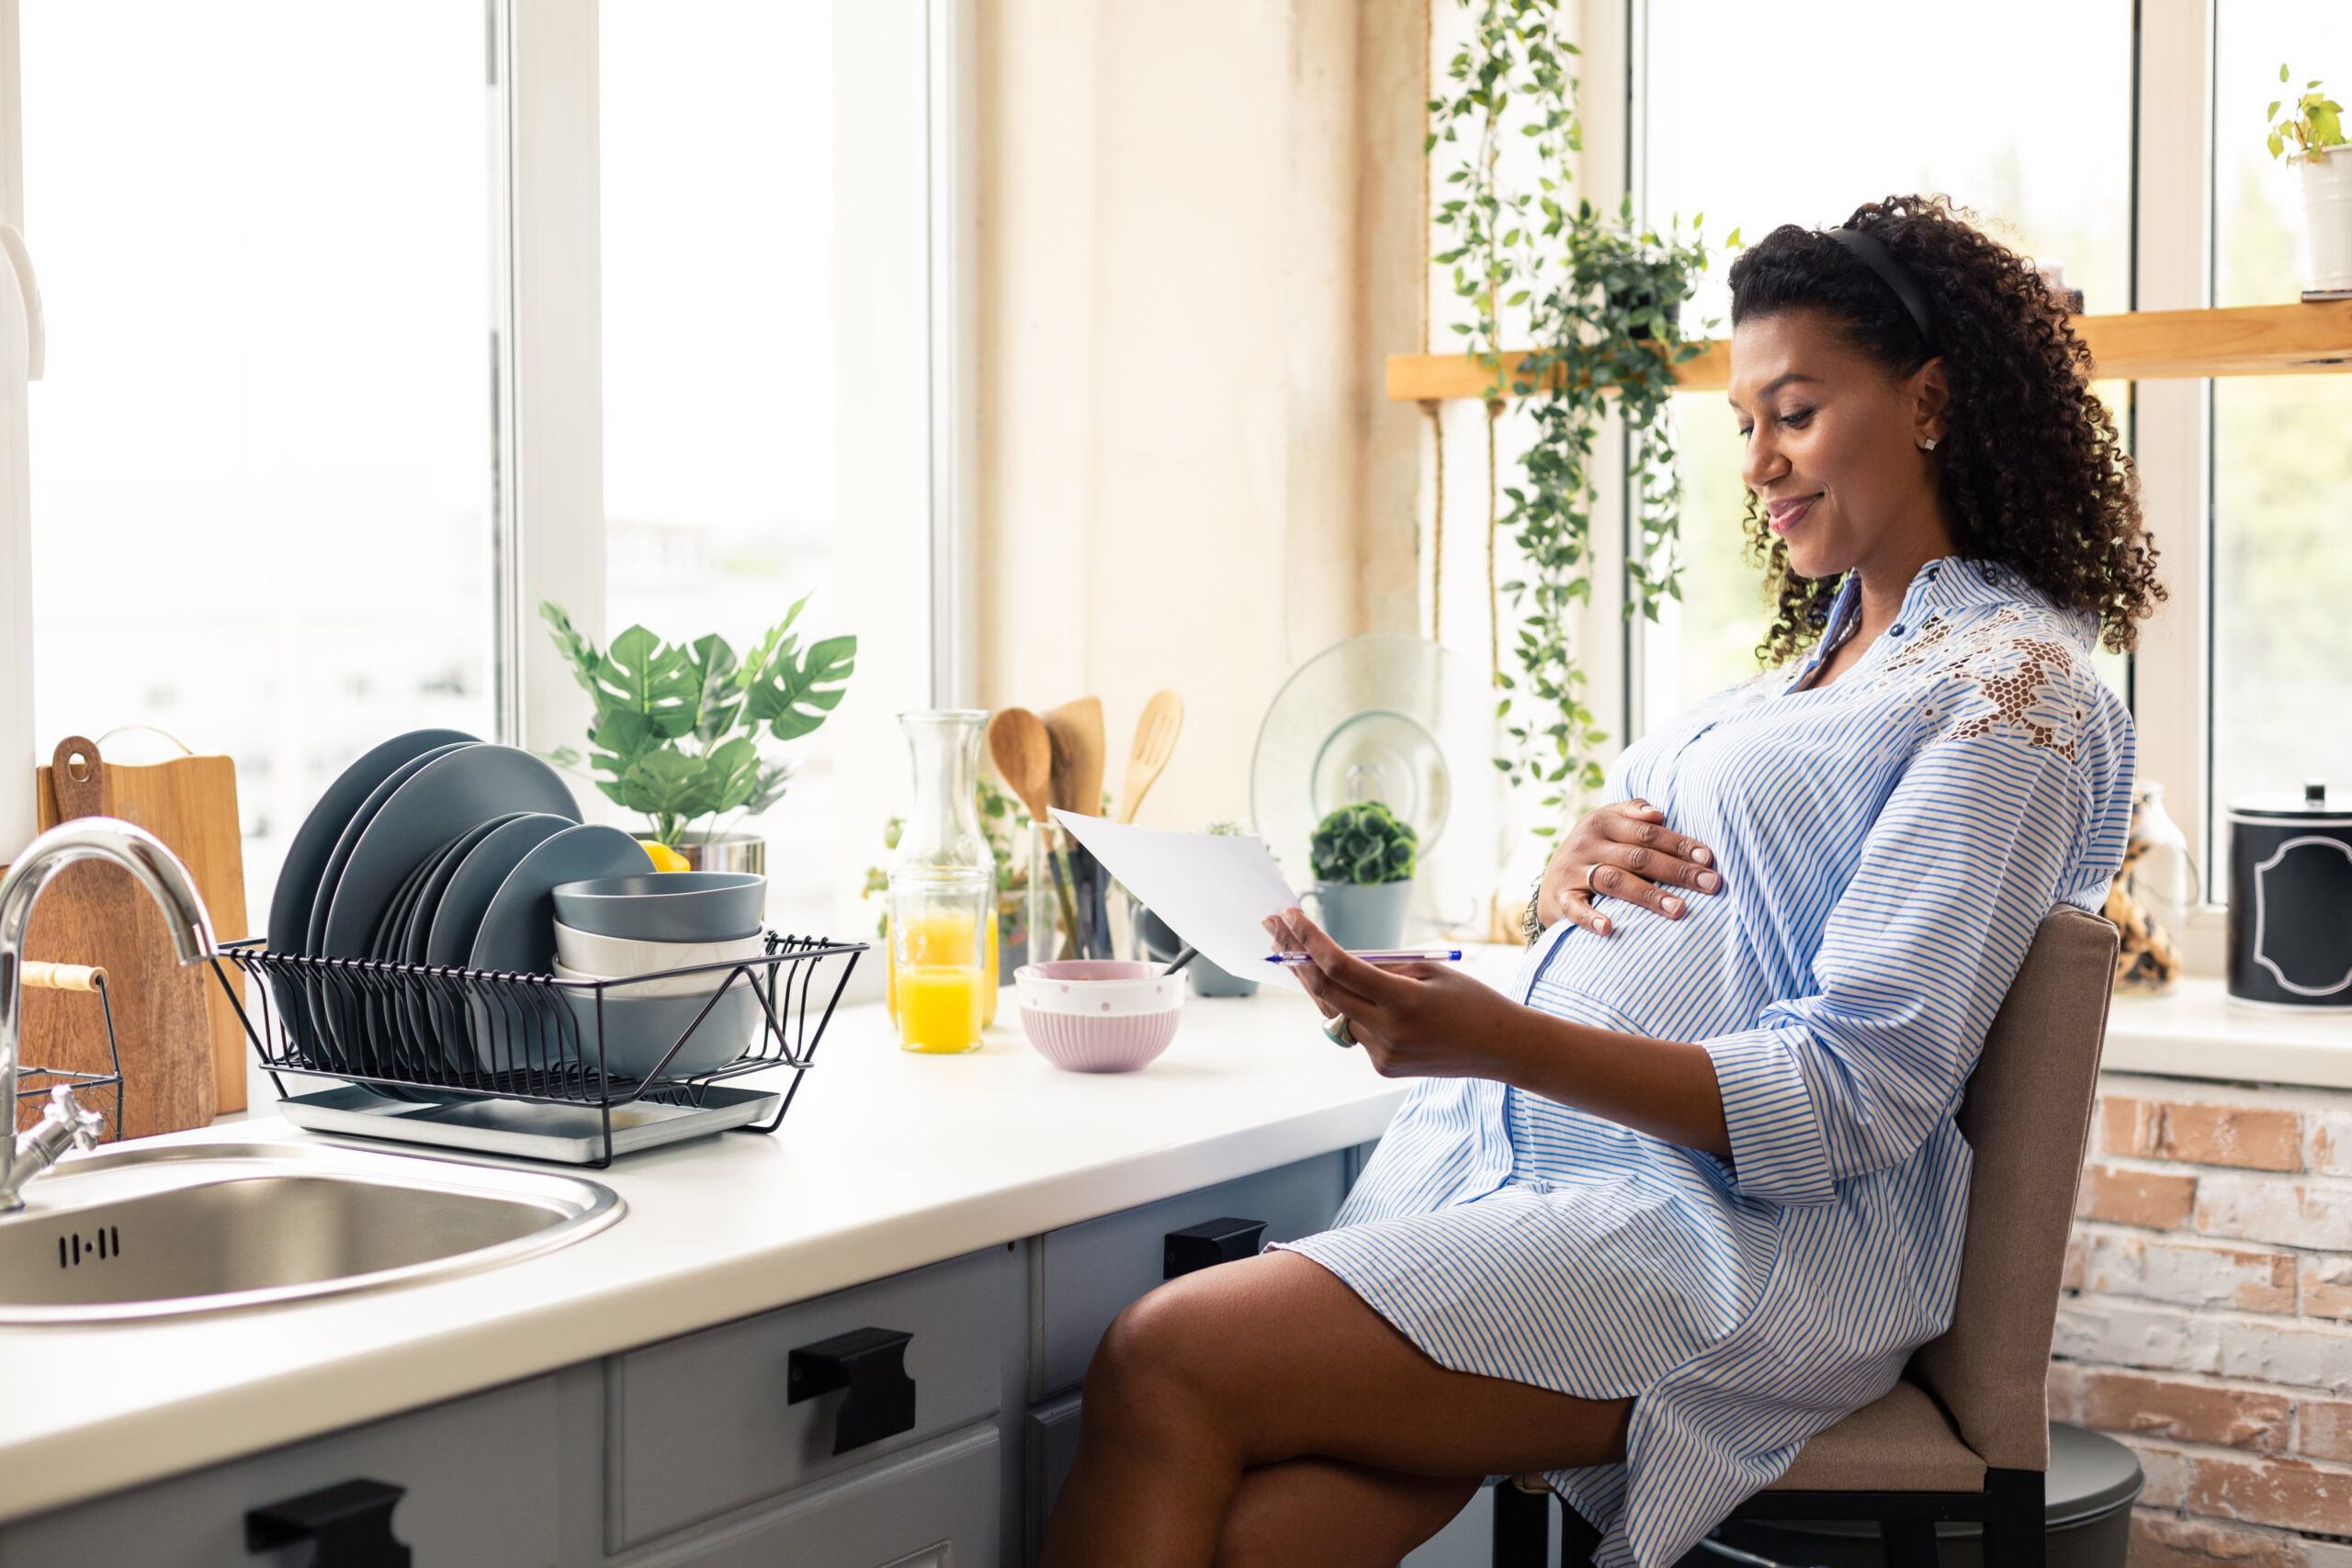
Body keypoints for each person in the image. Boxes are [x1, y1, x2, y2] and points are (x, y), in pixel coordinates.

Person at [1037, 195, 2164, 1568]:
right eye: (1744, 422)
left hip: (1724, 1240)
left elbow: (1861, 1091)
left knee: (1164, 1359)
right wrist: (1547, 893)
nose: (1758, 461)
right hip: (1520, 1173)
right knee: (1250, 1528)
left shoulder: (2014, 690)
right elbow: (1703, 922)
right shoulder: (1801, 673)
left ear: (1928, 400)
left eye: (1795, 412)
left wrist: (1494, 1034)